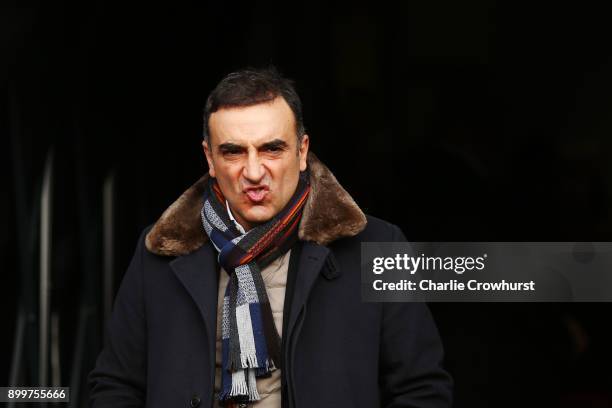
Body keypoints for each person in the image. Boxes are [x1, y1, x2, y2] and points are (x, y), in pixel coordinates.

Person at [88, 66, 453, 408]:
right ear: (210, 159)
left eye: (271, 148)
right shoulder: (160, 251)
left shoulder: (378, 247)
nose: (253, 171)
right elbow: (115, 386)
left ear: (301, 151)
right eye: (233, 152)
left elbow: (420, 390)